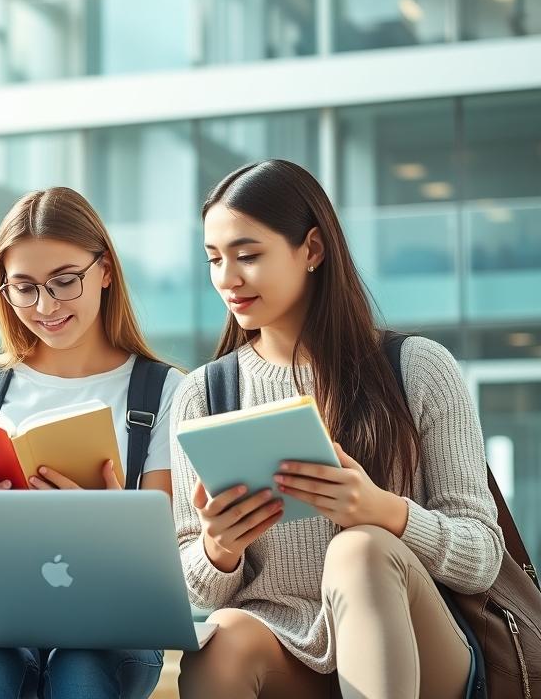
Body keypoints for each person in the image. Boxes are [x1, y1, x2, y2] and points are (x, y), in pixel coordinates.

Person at [172, 159, 504, 698]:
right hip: (282, 645)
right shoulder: (204, 396)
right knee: (222, 637)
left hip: (423, 649)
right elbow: (195, 585)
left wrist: (384, 514)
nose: (227, 279)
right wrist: (218, 548)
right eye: (214, 259)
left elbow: (483, 558)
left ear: (312, 250)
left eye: (248, 255)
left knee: (360, 551)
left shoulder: (416, 367)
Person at [0, 186, 182, 699]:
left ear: (105, 270)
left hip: (113, 622)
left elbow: (171, 563)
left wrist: (106, 525)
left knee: (81, 670)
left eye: (64, 282)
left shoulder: (164, 391)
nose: (45, 306)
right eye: (24, 287)